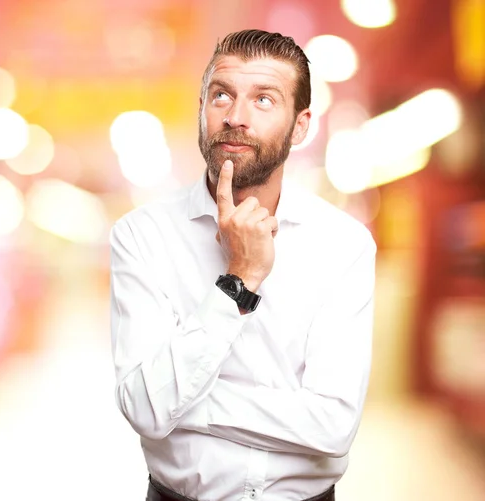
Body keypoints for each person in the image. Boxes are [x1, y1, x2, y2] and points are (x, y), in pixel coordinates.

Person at [109, 29, 376, 501]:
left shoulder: (344, 244)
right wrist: (240, 278)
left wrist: (183, 402)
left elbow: (334, 426)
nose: (235, 117)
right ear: (201, 108)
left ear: (300, 126)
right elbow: (146, 410)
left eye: (265, 100)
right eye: (221, 95)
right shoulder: (142, 235)